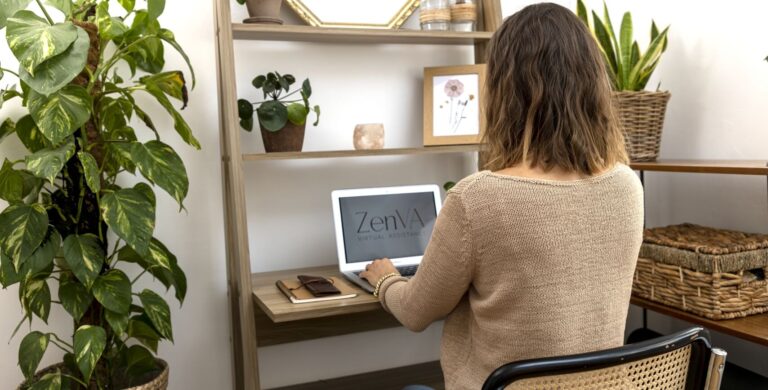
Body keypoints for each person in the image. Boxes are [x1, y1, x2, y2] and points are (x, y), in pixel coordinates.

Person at [360, 3, 644, 389]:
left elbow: (415, 312)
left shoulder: (479, 199)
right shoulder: (628, 186)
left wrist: (386, 279)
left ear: (503, 90)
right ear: (592, 86)